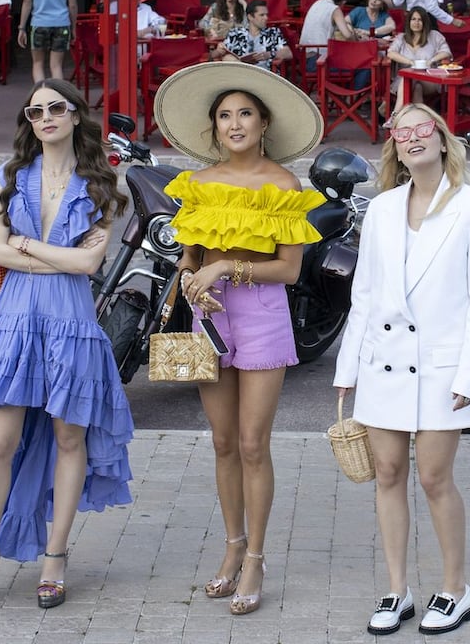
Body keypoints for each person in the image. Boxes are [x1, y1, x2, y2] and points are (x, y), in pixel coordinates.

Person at [0, 79, 134, 611]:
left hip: (71, 323)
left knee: (70, 439)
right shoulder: (10, 177)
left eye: (57, 108)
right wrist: (50, 252)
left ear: (77, 116)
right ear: (28, 122)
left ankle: (56, 557)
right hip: (14, 321)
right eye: (36, 111)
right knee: (0, 443)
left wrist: (25, 246)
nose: (46, 117)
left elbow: (89, 264)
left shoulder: (101, 184)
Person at [153, 62, 325, 616]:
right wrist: (192, 279)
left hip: (261, 313)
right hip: (208, 314)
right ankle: (230, 548)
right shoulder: (196, 185)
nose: (234, 123)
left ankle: (256, 557)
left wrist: (226, 267)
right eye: (224, 115)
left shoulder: (282, 186)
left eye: (244, 113)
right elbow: (187, 258)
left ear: (263, 122)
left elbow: (290, 271)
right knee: (223, 442)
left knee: (253, 443)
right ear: (214, 127)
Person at [333, 102, 470, 637]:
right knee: (386, 474)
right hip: (382, 361)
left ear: (443, 139)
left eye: (422, 128)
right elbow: (364, 295)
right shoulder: (381, 208)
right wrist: (347, 365)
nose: (412, 138)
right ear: (394, 147)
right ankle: (396, 589)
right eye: (401, 132)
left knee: (433, 477)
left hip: (444, 368)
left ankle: (455, 588)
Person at [387, 6, 453, 113]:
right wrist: (410, 62)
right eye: (413, 19)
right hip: (403, 82)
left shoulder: (434, 36)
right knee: (416, 87)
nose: (416, 23)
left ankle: (395, 114)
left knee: (410, 78)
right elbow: (391, 53)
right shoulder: (401, 38)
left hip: (430, 80)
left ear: (425, 22)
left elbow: (446, 52)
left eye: (420, 20)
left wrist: (431, 60)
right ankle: (420, 124)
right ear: (409, 22)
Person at [216, 0, 292, 70]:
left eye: (266, 15)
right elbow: (216, 54)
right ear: (250, 17)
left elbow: (288, 53)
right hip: (240, 74)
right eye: (262, 15)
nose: (266, 18)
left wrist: (270, 54)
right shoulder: (236, 33)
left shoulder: (273, 32)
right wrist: (219, 49)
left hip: (264, 74)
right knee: (227, 57)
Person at [298, 0, 357, 72]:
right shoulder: (334, 9)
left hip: (305, 58)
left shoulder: (317, 3)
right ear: (344, 1)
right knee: (359, 67)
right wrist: (357, 41)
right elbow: (347, 35)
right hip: (320, 61)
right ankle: (356, 87)